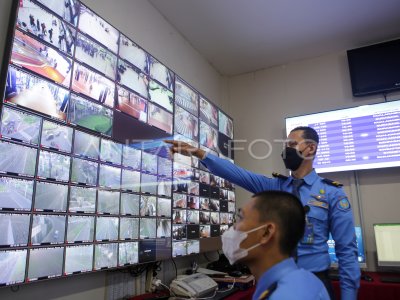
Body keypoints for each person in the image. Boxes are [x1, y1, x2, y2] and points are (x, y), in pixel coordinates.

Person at [165, 126, 360, 300]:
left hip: (315, 279)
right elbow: (238, 174)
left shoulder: (332, 194)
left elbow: (347, 252)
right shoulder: (275, 186)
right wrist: (198, 153)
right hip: (277, 280)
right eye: (286, 145)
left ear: (311, 148)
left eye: (293, 144)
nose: (287, 150)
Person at [222, 190, 329, 300]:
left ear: (266, 232)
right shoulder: (307, 279)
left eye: (240, 217)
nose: (233, 227)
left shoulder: (283, 296)